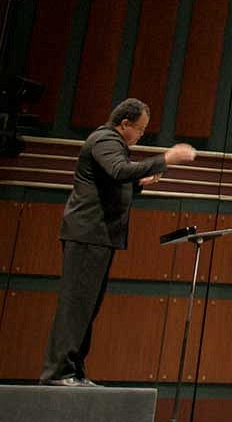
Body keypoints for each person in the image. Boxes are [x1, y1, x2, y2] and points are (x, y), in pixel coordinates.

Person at [40, 98, 196, 387]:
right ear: (124, 123)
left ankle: (73, 371)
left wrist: (139, 183)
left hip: (98, 237)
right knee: (76, 305)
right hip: (87, 234)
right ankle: (57, 373)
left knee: (88, 307)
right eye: (140, 129)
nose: (141, 135)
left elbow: (115, 179)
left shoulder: (113, 144)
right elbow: (118, 170)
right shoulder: (104, 139)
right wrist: (166, 159)